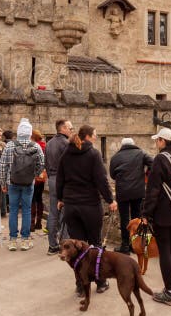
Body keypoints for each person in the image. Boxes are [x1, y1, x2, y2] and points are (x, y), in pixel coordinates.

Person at [57, 124, 117, 294]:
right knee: (95, 245)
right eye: (95, 134)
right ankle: (100, 282)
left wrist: (61, 199)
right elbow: (101, 180)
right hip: (90, 205)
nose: (97, 137)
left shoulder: (66, 154)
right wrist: (110, 199)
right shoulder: (93, 154)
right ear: (88, 136)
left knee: (76, 248)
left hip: (71, 206)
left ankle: (81, 286)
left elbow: (60, 179)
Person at [142, 127, 171, 306]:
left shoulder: (160, 158)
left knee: (165, 250)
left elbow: (153, 190)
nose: (156, 143)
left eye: (157, 140)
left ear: (162, 141)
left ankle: (168, 292)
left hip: (163, 211)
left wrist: (145, 214)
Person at [0, 118, 45, 251]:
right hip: (28, 183)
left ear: (18, 132)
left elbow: (3, 165)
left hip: (12, 182)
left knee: (13, 210)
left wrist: (3, 182)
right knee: (26, 210)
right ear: (30, 133)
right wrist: (35, 174)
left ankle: (13, 240)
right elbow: (42, 163)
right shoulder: (35, 146)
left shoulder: (10, 145)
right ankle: (25, 240)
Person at [109, 137, 154, 254]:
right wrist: (147, 173)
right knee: (137, 218)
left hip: (122, 192)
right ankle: (136, 245)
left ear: (122, 145)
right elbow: (153, 163)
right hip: (138, 192)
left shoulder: (115, 157)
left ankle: (125, 246)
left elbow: (112, 175)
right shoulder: (141, 153)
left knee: (124, 219)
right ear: (133, 144)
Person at [44, 119, 73, 255]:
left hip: (52, 179)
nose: (72, 131)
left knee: (53, 212)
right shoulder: (66, 144)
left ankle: (52, 245)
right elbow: (69, 165)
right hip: (63, 180)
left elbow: (46, 162)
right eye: (70, 128)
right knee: (66, 212)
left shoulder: (49, 143)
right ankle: (65, 246)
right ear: (63, 128)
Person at [30, 130, 47, 232]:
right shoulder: (44, 146)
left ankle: (32, 223)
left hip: (33, 176)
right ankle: (39, 223)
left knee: (32, 199)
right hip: (42, 176)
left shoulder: (33, 147)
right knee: (39, 198)